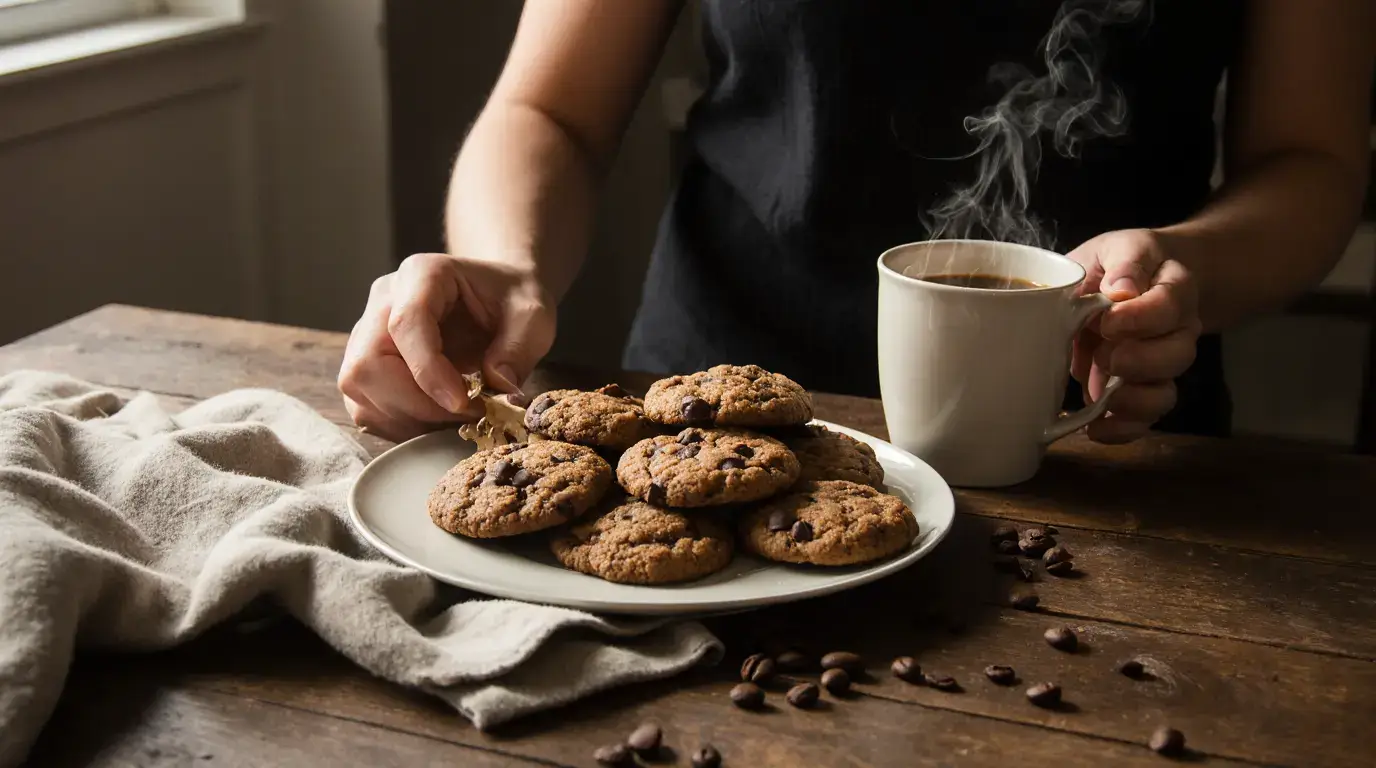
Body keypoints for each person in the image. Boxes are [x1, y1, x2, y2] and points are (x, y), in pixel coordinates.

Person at [338, 0, 1373, 445]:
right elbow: (550, 110)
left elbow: (1310, 162)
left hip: (1111, 446)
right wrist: (503, 266)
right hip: (715, 411)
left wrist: (1187, 267)